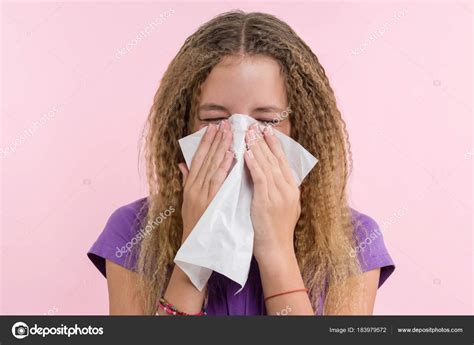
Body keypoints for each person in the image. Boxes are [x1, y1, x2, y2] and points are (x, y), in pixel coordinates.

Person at [88, 10, 395, 316]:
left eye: (266, 120)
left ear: (300, 130)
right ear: (182, 128)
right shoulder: (133, 233)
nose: (239, 138)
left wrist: (277, 252)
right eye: (215, 119)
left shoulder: (354, 242)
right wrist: (194, 255)